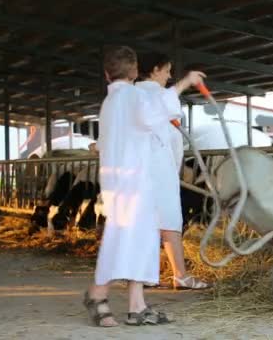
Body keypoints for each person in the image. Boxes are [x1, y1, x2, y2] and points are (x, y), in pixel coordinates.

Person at [82, 45, 203, 327]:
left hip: (121, 182)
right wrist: (185, 82)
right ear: (136, 71)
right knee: (123, 241)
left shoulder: (111, 102)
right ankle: (97, 293)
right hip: (133, 182)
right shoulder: (132, 97)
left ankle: (137, 306)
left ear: (106, 74)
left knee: (141, 242)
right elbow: (154, 113)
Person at [136, 52, 211, 290]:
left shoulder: (142, 94)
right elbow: (161, 105)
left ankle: (146, 275)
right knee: (169, 221)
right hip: (157, 169)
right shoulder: (148, 94)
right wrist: (186, 82)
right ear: (156, 69)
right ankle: (179, 275)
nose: (169, 76)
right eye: (167, 70)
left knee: (150, 221)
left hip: (153, 169)